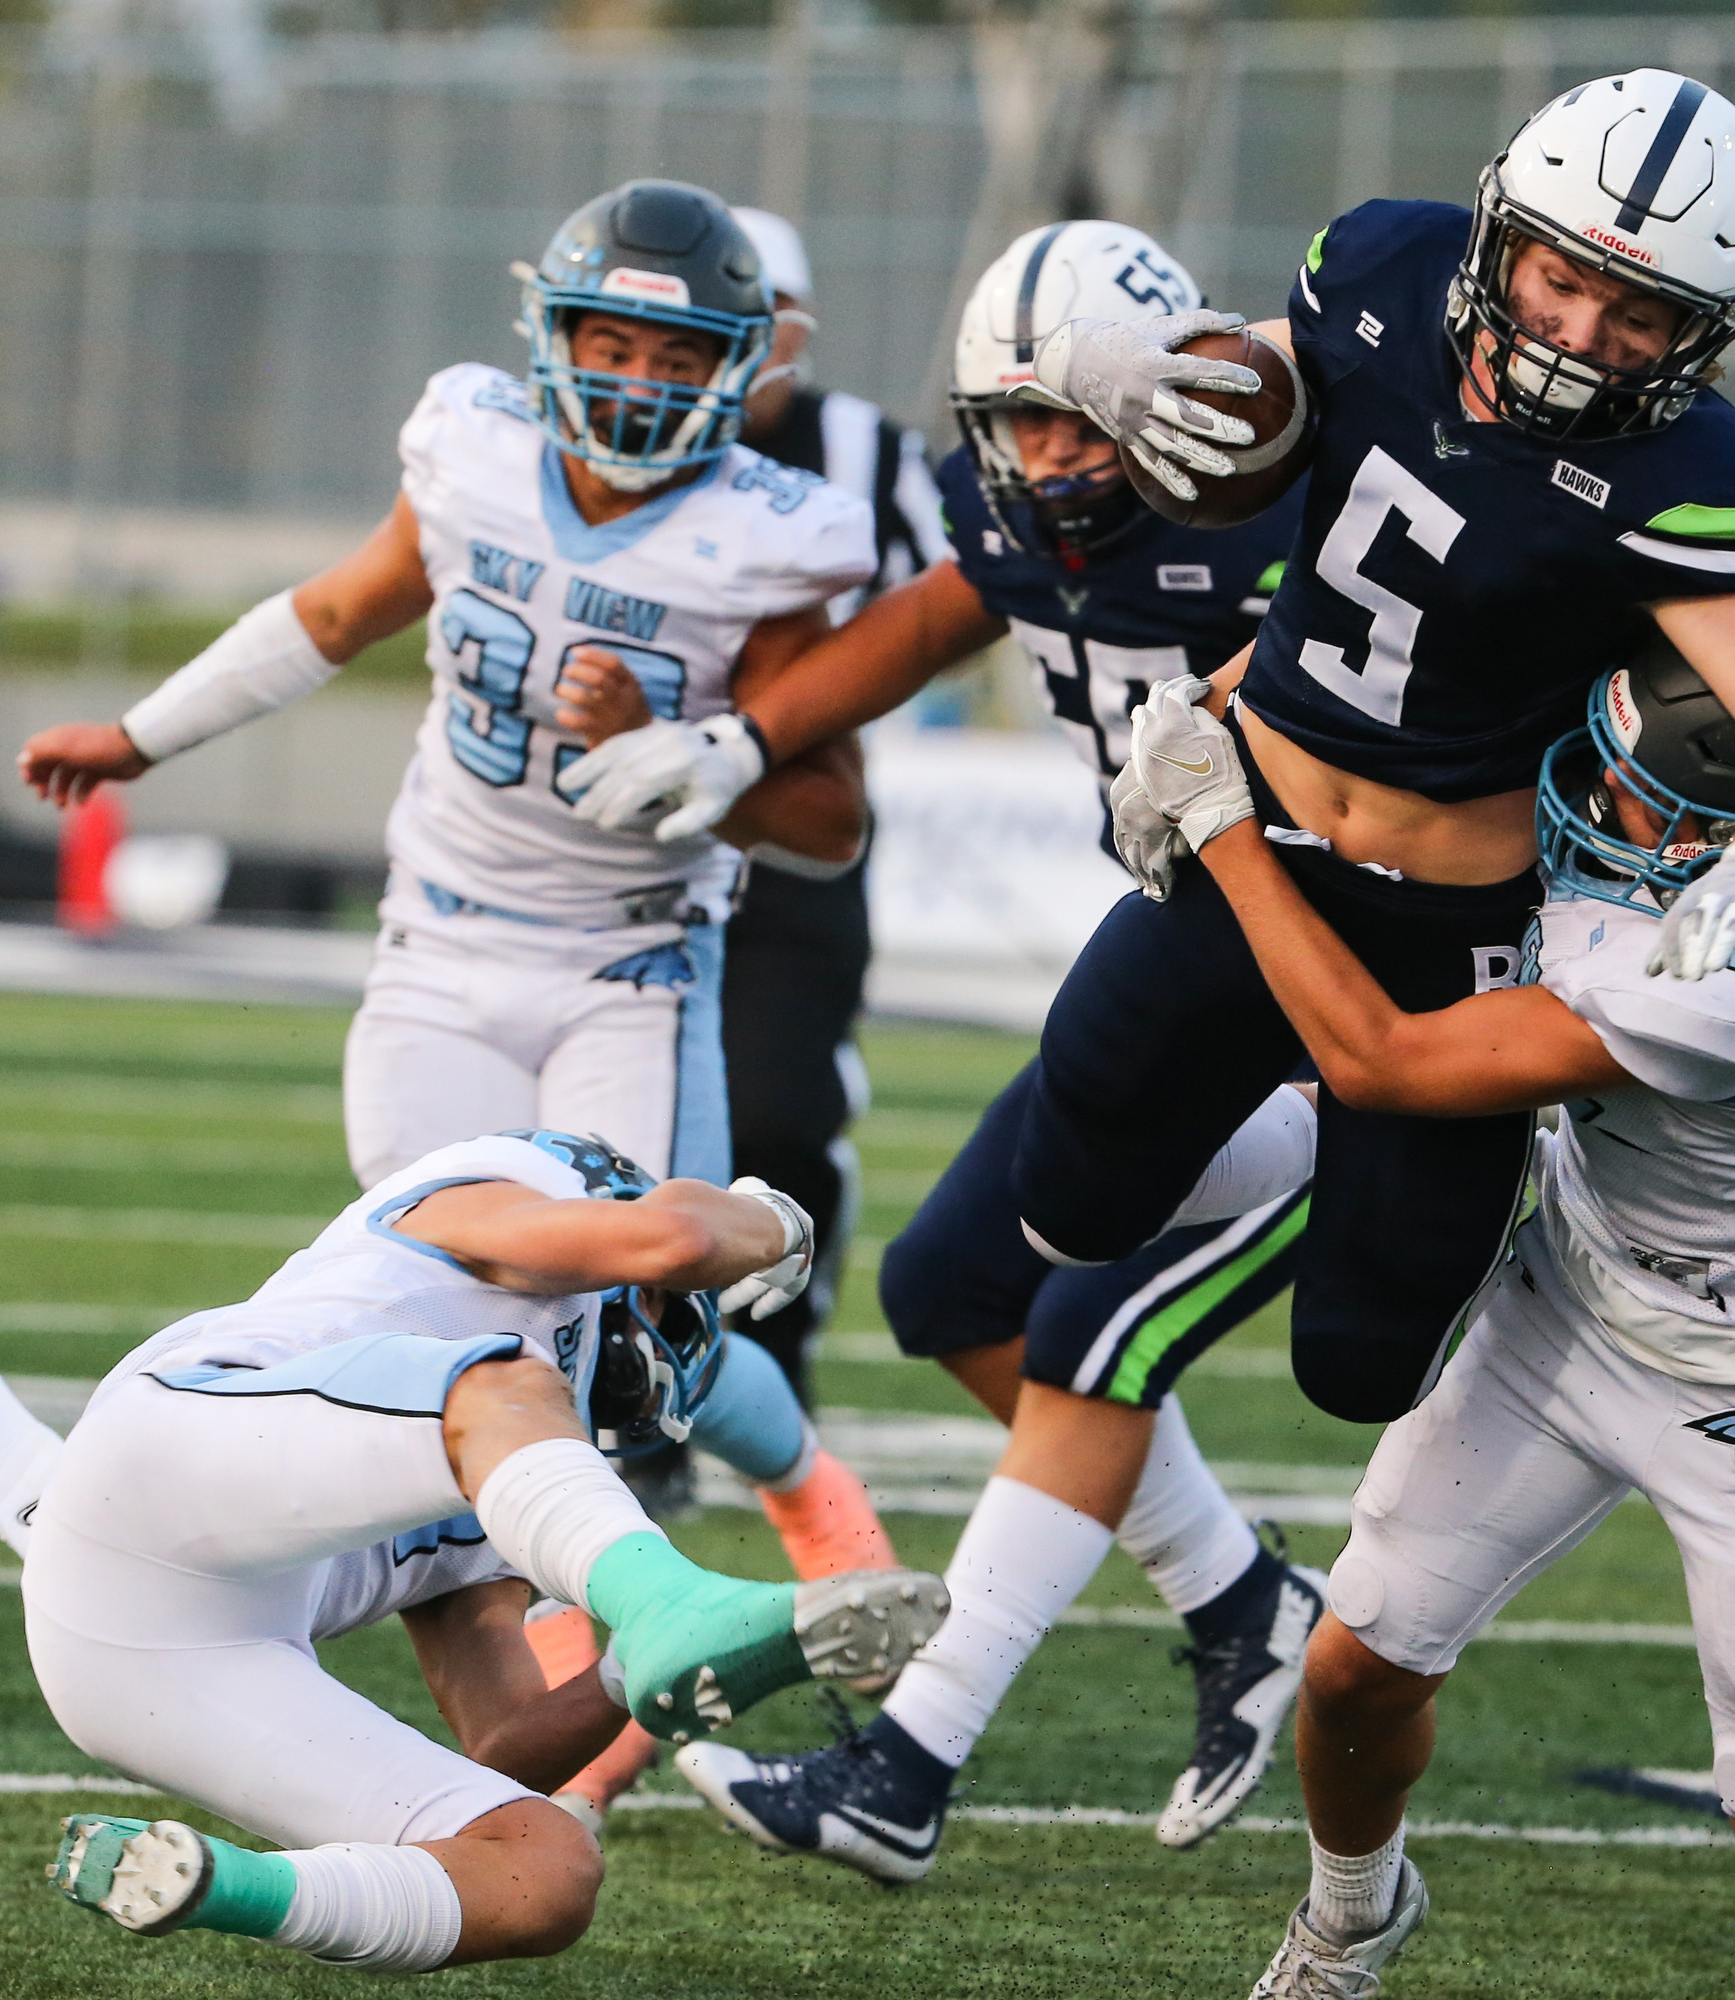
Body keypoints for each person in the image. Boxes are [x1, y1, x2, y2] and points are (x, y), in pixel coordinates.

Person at [12, 181, 907, 1819]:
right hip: (435, 948)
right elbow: (338, 613)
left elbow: (828, 819)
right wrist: (138, 737)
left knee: (644, 1338)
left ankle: (813, 1500)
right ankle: (578, 1693)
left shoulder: (775, 530)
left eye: (672, 349)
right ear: (548, 338)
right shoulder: (473, 445)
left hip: (628, 966)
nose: (633, 380)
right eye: (607, 340)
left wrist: (676, 741)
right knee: (457, 1338)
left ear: (738, 365)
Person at [1116, 611, 1735, 2000]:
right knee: (1356, 1668)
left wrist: (1223, 821)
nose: (1605, 800)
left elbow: (1386, 1064)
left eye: (1657, 796)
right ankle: (1350, 1924)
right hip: (1573, 1299)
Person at [973, 69, 1735, 1460]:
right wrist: (1150, 369)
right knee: (1067, 1212)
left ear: (1704, 334)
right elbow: (1265, 385)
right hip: (1255, 811)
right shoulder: (1386, 267)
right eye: (1563, 278)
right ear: (1501, 233)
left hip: (1452, 915)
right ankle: (1303, 1106)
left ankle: (1337, 1105)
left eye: (1641, 316)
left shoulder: (1693, 475)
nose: (1584, 332)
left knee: (1362, 1368)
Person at [577, 222, 1330, 1876]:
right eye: (1020, 424)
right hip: (1198, 983)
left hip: (1355, 1021)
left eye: (1080, 420)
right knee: (950, 1293)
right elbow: (939, 612)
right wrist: (746, 735)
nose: (1048, 459)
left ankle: (903, 1770)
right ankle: (1240, 1597)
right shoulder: (1006, 500)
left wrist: (1247, 731)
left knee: (1086, 1338)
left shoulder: (1298, 505)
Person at [0, 1128, 949, 1974]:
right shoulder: (480, 1219)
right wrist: (776, 1221)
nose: (670, 1321)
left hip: (131, 1653)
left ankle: (221, 1882)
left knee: (545, 1867)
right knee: (503, 1377)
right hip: (166, 1448)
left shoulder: (515, 1467)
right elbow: (673, 1241)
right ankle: (672, 1600)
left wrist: (625, 1680)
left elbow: (498, 1745)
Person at [711, 205, 948, 1411]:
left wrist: (768, 717)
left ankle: (772, 1364)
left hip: (791, 826)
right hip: (616, 854)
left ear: (796, 329)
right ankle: (610, 1387)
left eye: (760, 325)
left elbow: (935, 619)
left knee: (777, 1113)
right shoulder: (590, 444)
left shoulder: (863, 451)